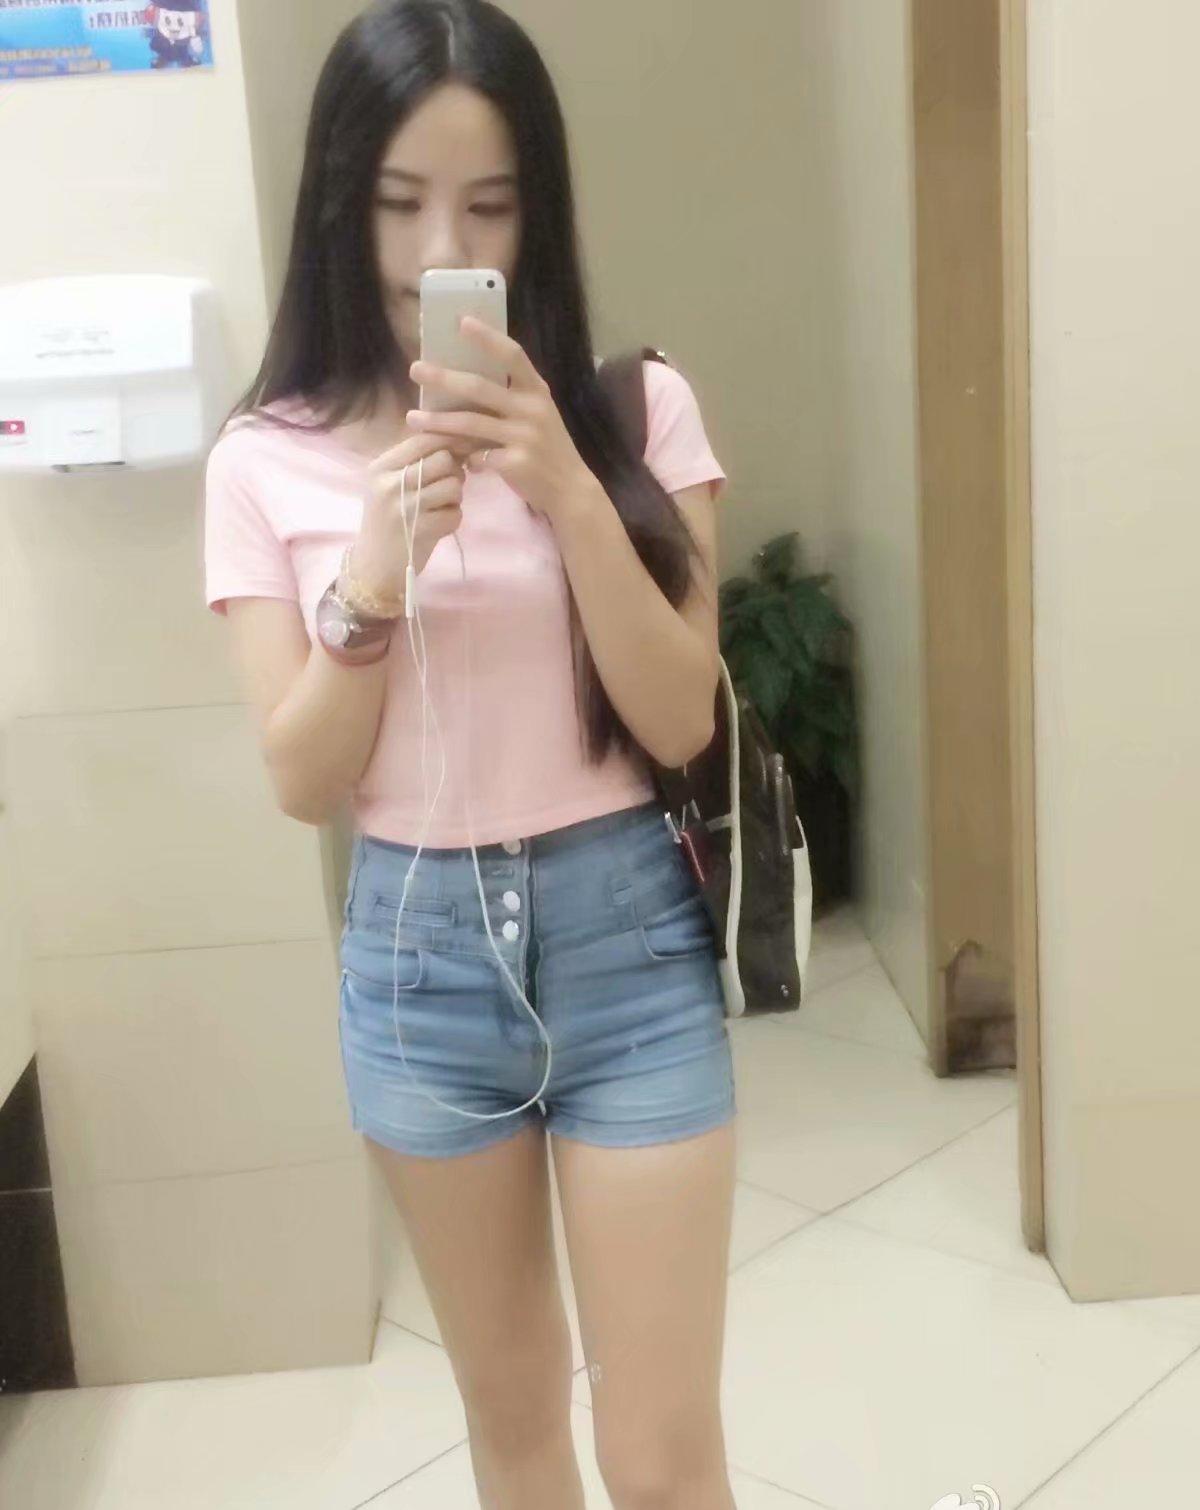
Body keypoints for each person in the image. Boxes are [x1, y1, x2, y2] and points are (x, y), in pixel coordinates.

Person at [203, 3, 738, 1506]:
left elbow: (682, 715)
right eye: (399, 202)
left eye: (488, 206)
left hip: (627, 943)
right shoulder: (264, 458)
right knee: (511, 1421)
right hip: (418, 959)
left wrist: (566, 491)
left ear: (537, 215)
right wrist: (370, 583)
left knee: (662, 1449)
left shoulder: (637, 410)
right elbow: (304, 782)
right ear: (338, 204)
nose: (441, 246)